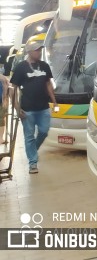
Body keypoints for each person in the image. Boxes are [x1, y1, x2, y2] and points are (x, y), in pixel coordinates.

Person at [10, 41, 58, 174]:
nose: (39, 52)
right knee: (29, 136)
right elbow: (13, 89)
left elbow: (48, 83)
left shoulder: (44, 66)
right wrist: (16, 108)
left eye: (40, 50)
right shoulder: (21, 67)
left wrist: (54, 101)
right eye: (36, 50)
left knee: (44, 131)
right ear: (29, 52)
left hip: (43, 108)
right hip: (27, 109)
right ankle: (33, 163)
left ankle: (32, 151)